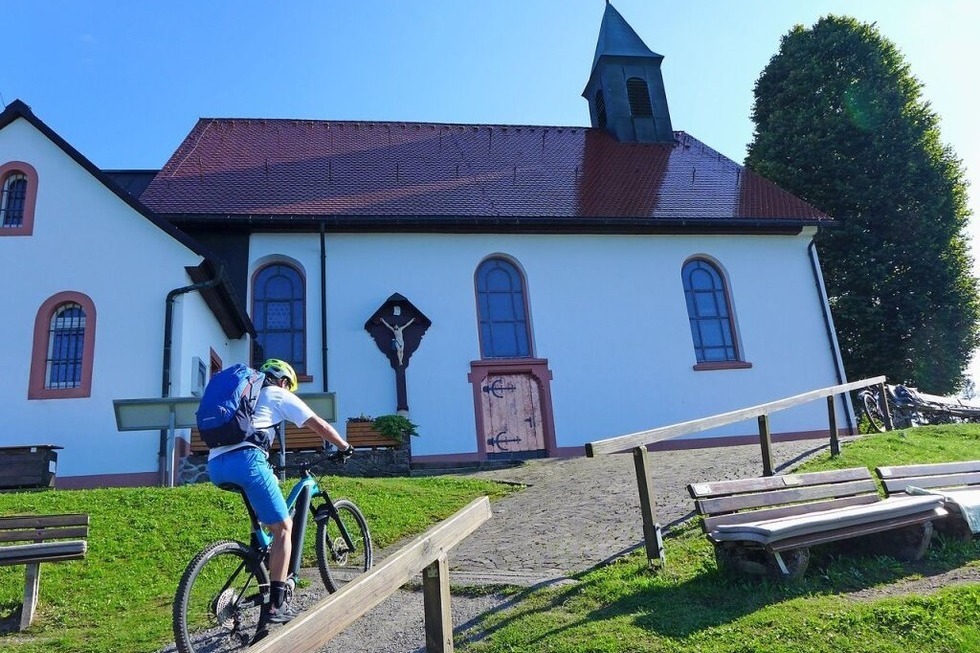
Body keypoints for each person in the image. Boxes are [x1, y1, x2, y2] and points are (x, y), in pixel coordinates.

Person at [206, 358, 353, 624]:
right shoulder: (277, 393)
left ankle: (259, 562)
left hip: (216, 464)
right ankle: (276, 606)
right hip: (247, 462)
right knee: (284, 528)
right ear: (284, 381)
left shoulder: (244, 396)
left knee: (269, 521)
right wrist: (344, 447)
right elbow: (317, 423)